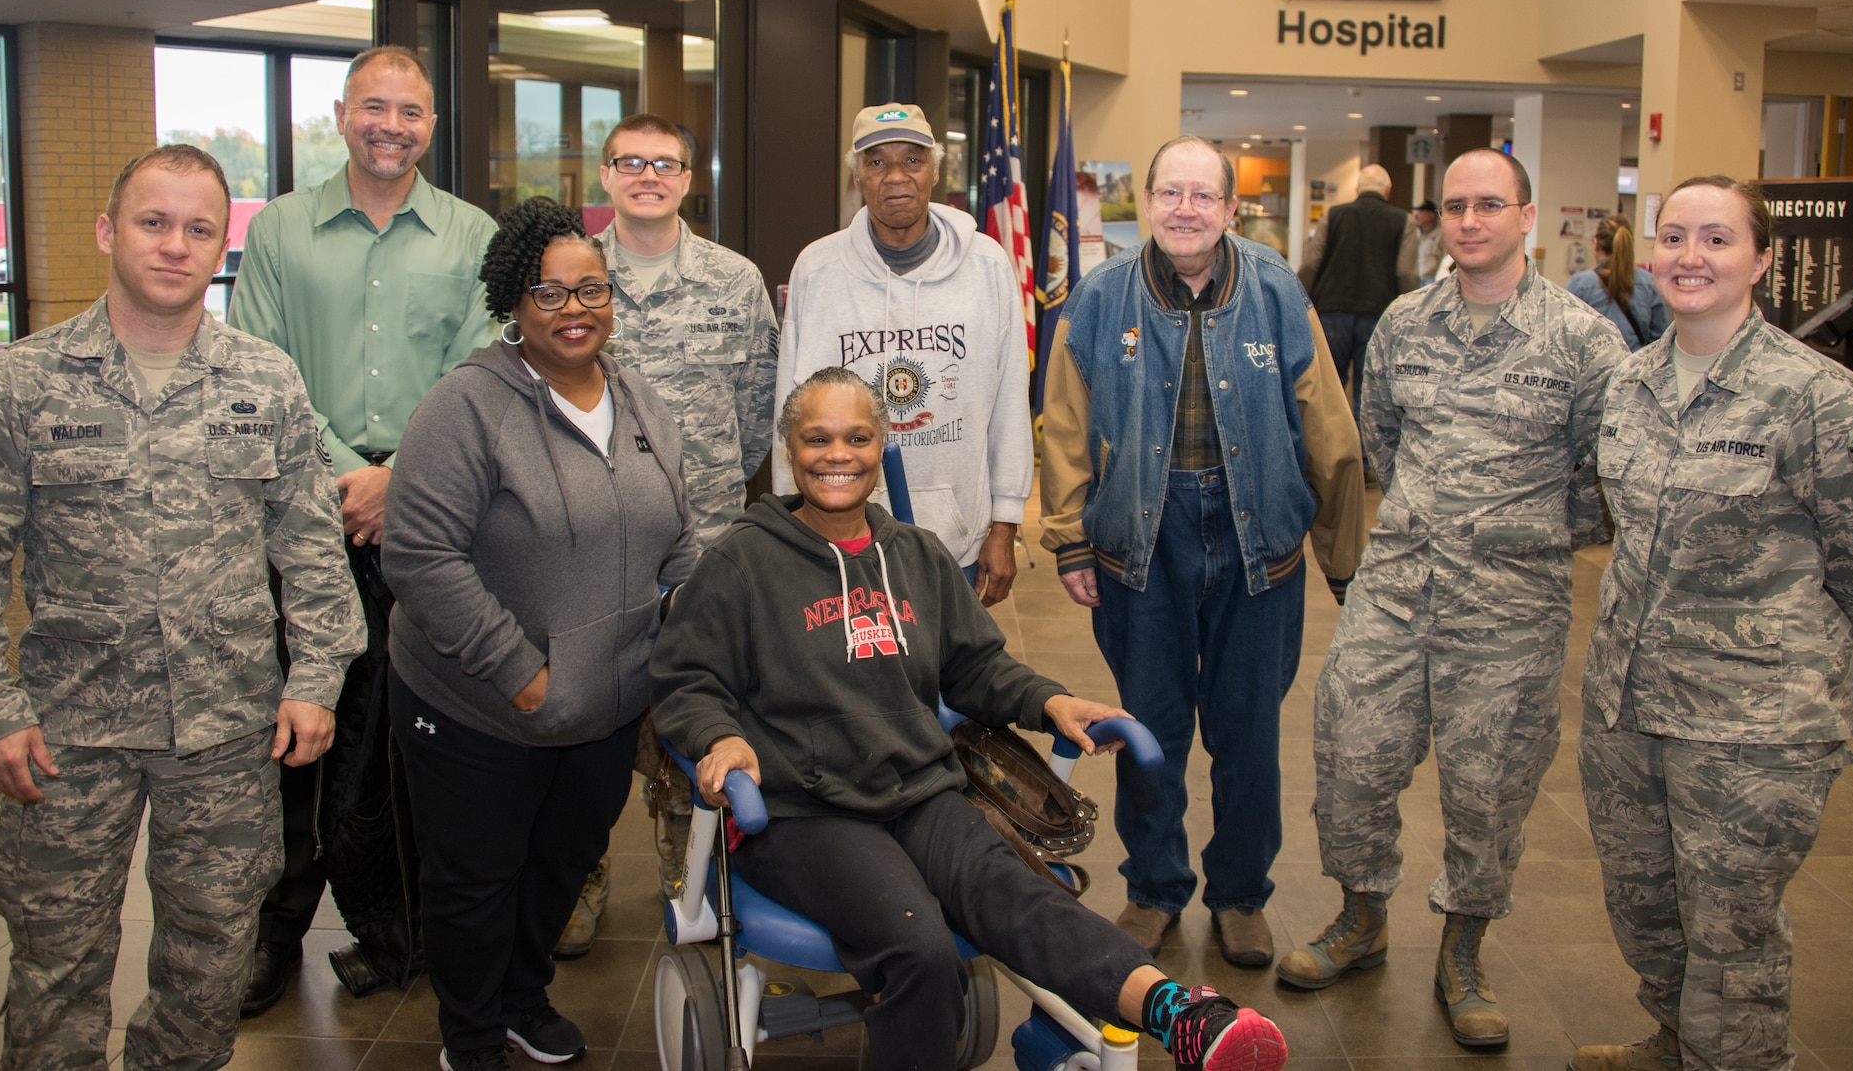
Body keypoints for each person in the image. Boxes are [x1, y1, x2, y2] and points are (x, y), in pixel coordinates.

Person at [650, 367, 1288, 1071]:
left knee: (1021, 896)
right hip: (804, 811)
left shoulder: (917, 557)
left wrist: (1051, 701)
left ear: (882, 441)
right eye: (818, 437)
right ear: (790, 448)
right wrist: (722, 736)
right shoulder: (743, 560)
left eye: (858, 436)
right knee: (920, 946)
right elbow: (687, 679)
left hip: (922, 791)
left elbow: (978, 668)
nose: (839, 454)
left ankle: (1180, 1012)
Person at [0, 145, 364, 1069]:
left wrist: (319, 680)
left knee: (211, 961)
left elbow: (311, 547)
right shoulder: (22, 384)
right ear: (108, 230)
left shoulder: (266, 382)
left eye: (199, 229)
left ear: (223, 246)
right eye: (153, 222)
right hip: (67, 735)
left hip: (227, 731)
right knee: (57, 966)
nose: (176, 245)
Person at [1570, 174, 1853, 1071]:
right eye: (1676, 237)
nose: (1692, 257)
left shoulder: (1817, 395)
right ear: (1650, 253)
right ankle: (1674, 1039)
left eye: (1718, 239)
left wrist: (1813, 659)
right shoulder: (1630, 383)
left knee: (1732, 936)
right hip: (1630, 704)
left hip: (1752, 726)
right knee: (1646, 901)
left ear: (1763, 259)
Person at [1278, 148, 1627, 1047]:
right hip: (1397, 589)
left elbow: (1602, 480)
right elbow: (1381, 439)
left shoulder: (1584, 340)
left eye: (1490, 205)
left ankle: (1463, 952)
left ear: (1527, 215)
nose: (1471, 221)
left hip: (1512, 607)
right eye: (1457, 206)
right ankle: (1362, 917)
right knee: (1351, 748)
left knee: (1489, 786)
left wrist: (1515, 534)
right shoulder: (1403, 322)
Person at [383, 197, 698, 1071]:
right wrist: (522, 673)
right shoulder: (467, 405)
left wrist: (677, 641)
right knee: (476, 881)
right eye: (549, 293)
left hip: (603, 701)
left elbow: (679, 531)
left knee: (562, 863)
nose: (574, 310)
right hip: (481, 702)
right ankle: (472, 1033)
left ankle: (521, 997)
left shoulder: (637, 396)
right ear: (513, 302)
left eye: (590, 290)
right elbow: (419, 556)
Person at [1041, 134, 1367, 970]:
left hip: (1260, 542)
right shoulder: (1102, 295)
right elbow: (1065, 431)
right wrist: (1071, 538)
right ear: (1149, 203)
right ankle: (1153, 885)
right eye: (1170, 194)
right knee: (1151, 729)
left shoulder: (1277, 292)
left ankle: (1240, 894)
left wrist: (1342, 557)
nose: (1185, 210)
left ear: (1230, 208)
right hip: (1140, 546)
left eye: (1202, 196)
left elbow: (1328, 426)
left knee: (1248, 729)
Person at [229, 44, 498, 1008]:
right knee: (295, 736)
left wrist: (399, 480)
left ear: (433, 123)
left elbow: (479, 376)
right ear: (341, 114)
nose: (393, 125)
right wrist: (353, 474)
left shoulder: (473, 235)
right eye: (374, 107)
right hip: (305, 512)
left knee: (413, 735)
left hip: (432, 520)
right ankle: (275, 931)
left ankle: (406, 927)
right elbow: (259, 371)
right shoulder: (279, 232)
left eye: (412, 111)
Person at [558, 111, 778, 952]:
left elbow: (758, 415)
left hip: (706, 543)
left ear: (690, 177)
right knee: (587, 719)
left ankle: (687, 867)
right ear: (605, 176)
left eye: (667, 164)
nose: (649, 176)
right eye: (631, 162)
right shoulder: (572, 276)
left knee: (697, 707)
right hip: (592, 544)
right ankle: (580, 871)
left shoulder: (734, 279)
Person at [776, 103, 1030, 606]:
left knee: (952, 681)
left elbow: (1008, 401)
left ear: (936, 170)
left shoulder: (987, 265)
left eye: (913, 160)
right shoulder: (818, 269)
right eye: (876, 162)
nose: (896, 177)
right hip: (841, 535)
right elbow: (792, 406)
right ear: (856, 175)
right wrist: (792, 515)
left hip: (958, 541)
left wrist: (1005, 524)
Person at [1296, 163, 1420, 429]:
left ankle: (1332, 456)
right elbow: (1405, 272)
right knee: (1370, 391)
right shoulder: (1404, 221)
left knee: (1330, 389)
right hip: (1379, 314)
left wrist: (1301, 303)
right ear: (1387, 190)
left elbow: (1310, 264)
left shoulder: (1334, 215)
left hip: (1331, 312)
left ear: (1357, 189)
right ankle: (1365, 461)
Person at [1567, 214, 1669, 351]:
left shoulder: (1580, 284)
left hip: (1593, 369)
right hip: (1637, 367)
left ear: (1596, 243)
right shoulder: (1649, 283)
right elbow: (1660, 339)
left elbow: (1566, 336)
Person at [1410, 199, 1441, 286]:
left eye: (1420, 212)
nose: (1416, 216)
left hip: (1432, 281)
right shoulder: (1414, 233)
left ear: (1431, 214)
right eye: (1415, 212)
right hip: (1415, 280)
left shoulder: (1441, 233)